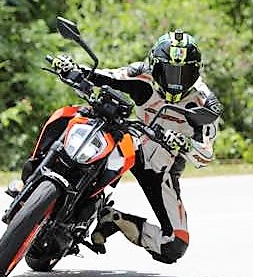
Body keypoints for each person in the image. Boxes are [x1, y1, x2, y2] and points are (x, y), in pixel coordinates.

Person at [55, 29, 221, 264]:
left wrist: (184, 143)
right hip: (132, 144)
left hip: (163, 170)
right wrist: (72, 69)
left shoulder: (205, 103)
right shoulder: (142, 75)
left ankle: (113, 219)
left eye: (184, 73)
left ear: (196, 71)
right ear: (154, 64)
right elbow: (105, 76)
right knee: (81, 124)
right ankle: (40, 185)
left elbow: (205, 155)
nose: (175, 82)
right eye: (168, 72)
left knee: (175, 245)